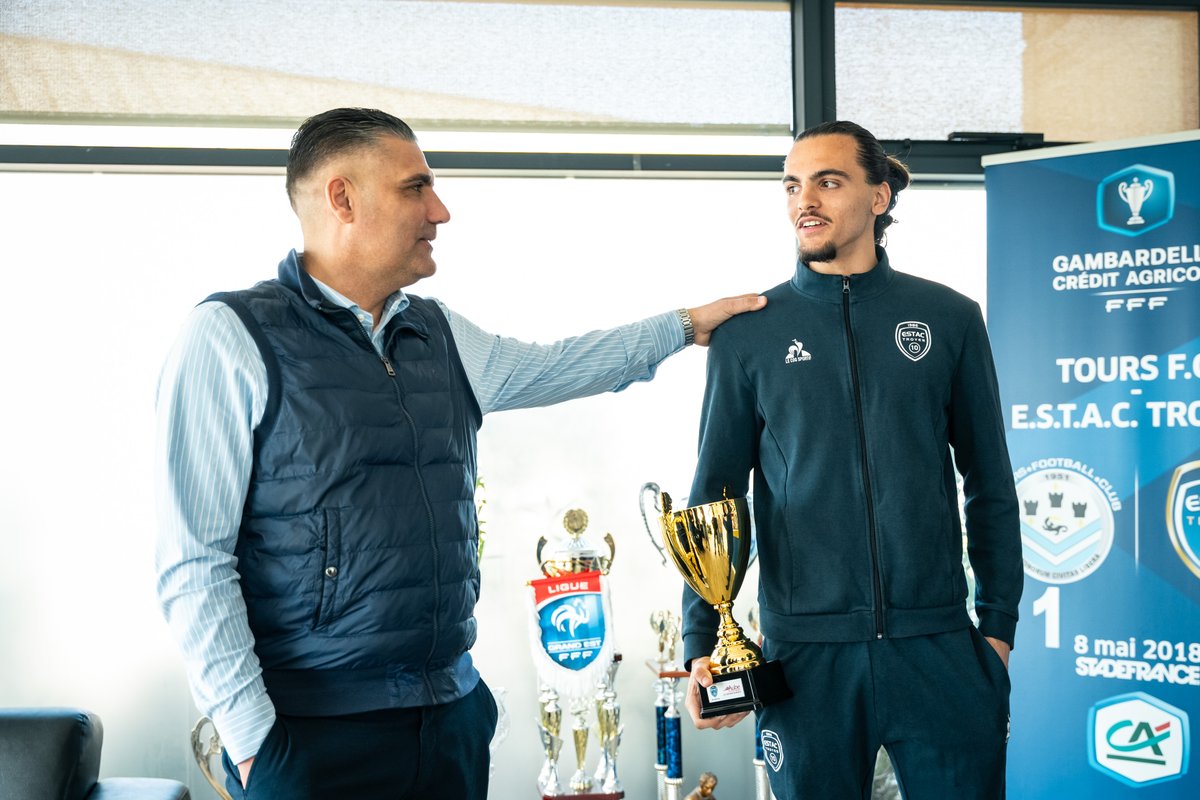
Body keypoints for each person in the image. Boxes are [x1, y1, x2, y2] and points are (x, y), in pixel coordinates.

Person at [154, 107, 766, 800]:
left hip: (449, 721)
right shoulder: (231, 337)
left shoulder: (437, 333)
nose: (439, 210)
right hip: (313, 734)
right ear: (342, 198)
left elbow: (565, 365)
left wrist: (685, 326)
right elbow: (193, 563)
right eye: (416, 188)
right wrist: (254, 741)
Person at [680, 121, 1022, 800]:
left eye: (829, 181)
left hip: (940, 645)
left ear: (879, 196)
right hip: (804, 655)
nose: (805, 199)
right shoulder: (749, 333)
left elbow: (989, 480)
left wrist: (998, 630)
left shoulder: (948, 317)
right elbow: (714, 498)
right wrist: (702, 639)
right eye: (792, 184)